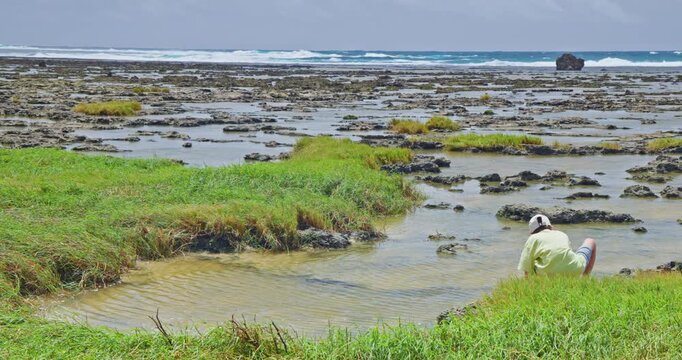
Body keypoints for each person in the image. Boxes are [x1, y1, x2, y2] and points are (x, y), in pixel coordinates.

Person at [517, 214, 596, 276]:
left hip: (546, 275)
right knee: (590, 241)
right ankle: (585, 279)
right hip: (573, 269)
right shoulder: (561, 234)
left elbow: (526, 267)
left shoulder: (532, 238)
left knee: (533, 263)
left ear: (531, 232)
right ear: (551, 226)